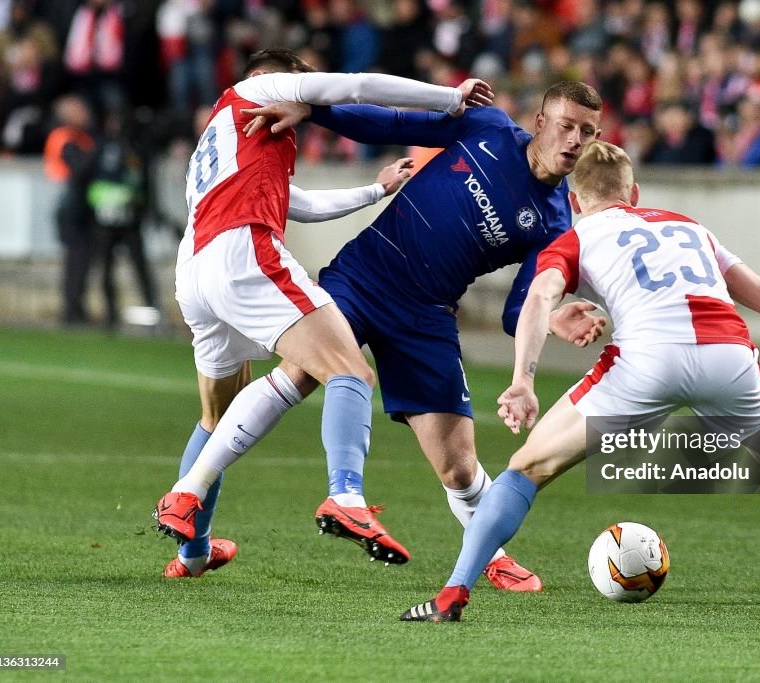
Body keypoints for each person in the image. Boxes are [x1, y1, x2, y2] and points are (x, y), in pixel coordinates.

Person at [400, 140, 760, 625]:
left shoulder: (576, 237)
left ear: (575, 202)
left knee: (525, 469)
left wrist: (522, 380)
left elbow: (537, 300)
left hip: (646, 362)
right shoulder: (691, 227)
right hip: (729, 356)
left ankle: (452, 595)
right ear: (634, 193)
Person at [225, 80, 609, 591]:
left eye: (588, 132)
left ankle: (490, 552)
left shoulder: (555, 222)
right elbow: (395, 123)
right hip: (366, 273)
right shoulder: (489, 128)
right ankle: (195, 487)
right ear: (540, 122)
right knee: (299, 375)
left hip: (426, 315)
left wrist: (553, 318)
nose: (575, 140)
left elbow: (518, 311)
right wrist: (314, 111)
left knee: (457, 465)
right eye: (566, 126)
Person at [152, 47, 494, 576]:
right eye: (302, 83)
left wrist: (376, 188)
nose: (307, 93)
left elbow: (300, 204)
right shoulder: (260, 90)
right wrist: (448, 98)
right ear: (275, 78)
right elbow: (357, 87)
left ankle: (192, 549)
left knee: (216, 417)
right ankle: (346, 497)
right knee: (350, 370)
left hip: (194, 268)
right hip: (242, 250)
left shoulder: (227, 130)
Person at [87, 109, 159, 328]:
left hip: (128, 218)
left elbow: (145, 184)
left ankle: (150, 313)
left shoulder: (135, 149)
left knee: (137, 267)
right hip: (108, 217)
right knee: (109, 267)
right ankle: (111, 314)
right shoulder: (104, 147)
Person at [43, 94, 96, 326]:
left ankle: (77, 306)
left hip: (81, 204)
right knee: (76, 257)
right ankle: (71, 309)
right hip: (70, 205)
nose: (85, 113)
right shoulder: (63, 137)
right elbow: (78, 169)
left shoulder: (81, 137)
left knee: (83, 258)